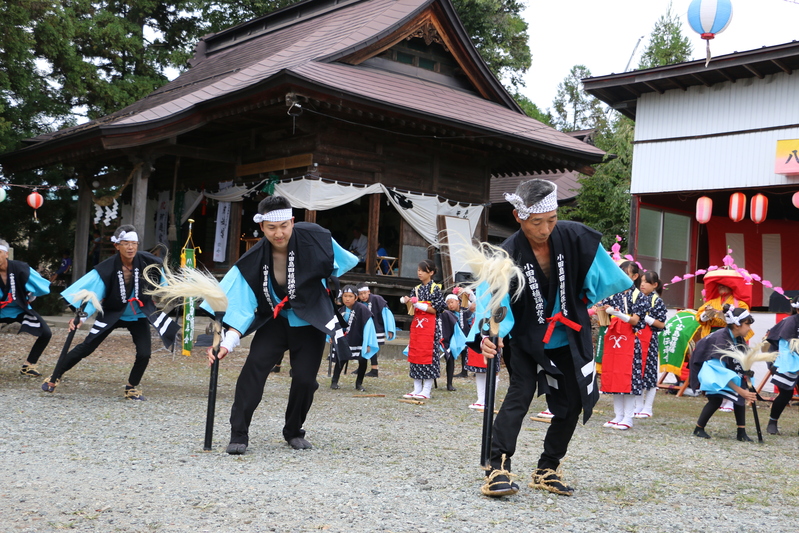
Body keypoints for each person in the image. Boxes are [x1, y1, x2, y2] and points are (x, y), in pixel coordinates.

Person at [477, 179, 632, 497]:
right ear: (519, 216)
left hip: (567, 334)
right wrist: (490, 334)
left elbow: (604, 277)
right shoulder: (506, 254)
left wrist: (581, 299)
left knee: (572, 401)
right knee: (520, 393)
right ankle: (498, 468)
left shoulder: (574, 236)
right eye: (537, 222)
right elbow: (492, 304)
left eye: (552, 219)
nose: (546, 229)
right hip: (525, 337)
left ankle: (548, 467)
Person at [203, 195, 357, 454]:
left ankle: (294, 431)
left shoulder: (315, 239)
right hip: (276, 321)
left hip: (309, 321)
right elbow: (241, 303)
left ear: (292, 222)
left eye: (284, 225)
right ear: (262, 227)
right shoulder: (253, 259)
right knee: (253, 370)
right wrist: (227, 342)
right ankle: (238, 434)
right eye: (271, 227)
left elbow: (340, 262)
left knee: (305, 380)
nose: (279, 233)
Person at [42, 226, 179, 400]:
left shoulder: (148, 261)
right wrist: (80, 318)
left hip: (138, 314)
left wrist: (174, 290)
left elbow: (166, 281)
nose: (130, 247)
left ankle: (131, 387)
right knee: (86, 347)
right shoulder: (106, 268)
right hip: (113, 313)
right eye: (126, 243)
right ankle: (55, 376)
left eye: (134, 243)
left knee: (145, 353)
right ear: (117, 246)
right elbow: (92, 294)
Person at [689, 304, 757, 441]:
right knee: (716, 398)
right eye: (747, 324)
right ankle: (698, 428)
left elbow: (743, 363)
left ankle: (741, 433)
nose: (749, 328)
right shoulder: (721, 339)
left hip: (723, 368)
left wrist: (747, 380)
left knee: (740, 394)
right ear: (737, 325)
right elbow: (718, 372)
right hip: (709, 367)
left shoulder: (739, 339)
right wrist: (741, 390)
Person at [598, 261, 648, 431]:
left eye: (626, 274)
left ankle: (628, 417)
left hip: (631, 341)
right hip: (614, 340)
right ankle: (618, 415)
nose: (622, 277)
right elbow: (601, 308)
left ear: (635, 277)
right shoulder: (614, 294)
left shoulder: (640, 297)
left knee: (629, 379)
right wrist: (603, 309)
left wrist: (618, 313)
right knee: (615, 378)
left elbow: (635, 320)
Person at [0, 237, 52, 377]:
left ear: (6, 254)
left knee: (46, 333)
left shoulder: (20, 268)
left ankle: (28, 366)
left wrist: (30, 294)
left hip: (18, 310)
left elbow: (44, 287)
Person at [399, 259, 445, 400]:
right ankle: (416, 388)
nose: (419, 273)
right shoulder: (416, 289)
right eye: (418, 270)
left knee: (429, 356)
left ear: (430, 272)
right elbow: (412, 310)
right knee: (415, 354)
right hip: (418, 326)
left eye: (422, 270)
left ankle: (426, 390)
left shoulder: (435, 288)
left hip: (431, 327)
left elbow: (437, 309)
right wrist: (407, 301)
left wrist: (418, 304)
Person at [330, 285, 379, 392]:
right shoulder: (340, 310)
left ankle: (359, 384)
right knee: (340, 360)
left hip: (359, 339)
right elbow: (334, 325)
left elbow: (369, 326)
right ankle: (334, 381)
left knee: (362, 361)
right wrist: (331, 336)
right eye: (345, 296)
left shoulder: (363, 309)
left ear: (356, 298)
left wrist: (368, 343)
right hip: (344, 339)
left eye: (350, 296)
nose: (347, 299)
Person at [633, 270, 667, 419]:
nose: (643, 285)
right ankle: (638, 406)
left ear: (655, 285)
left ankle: (648, 407)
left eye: (646, 282)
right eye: (641, 281)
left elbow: (661, 324)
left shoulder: (657, 301)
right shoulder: (636, 298)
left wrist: (647, 319)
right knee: (637, 373)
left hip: (650, 342)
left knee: (650, 374)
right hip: (636, 340)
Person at [764, 296, 799, 435]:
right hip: (781, 358)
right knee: (786, 393)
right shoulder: (790, 322)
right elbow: (787, 347)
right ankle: (772, 422)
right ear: (797, 308)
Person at [356, 284, 396, 377]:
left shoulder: (377, 299)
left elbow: (386, 314)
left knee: (372, 346)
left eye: (365, 293)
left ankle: (374, 369)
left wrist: (389, 329)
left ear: (369, 292)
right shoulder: (358, 303)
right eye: (360, 294)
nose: (363, 296)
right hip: (364, 329)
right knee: (362, 347)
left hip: (376, 327)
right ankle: (361, 367)